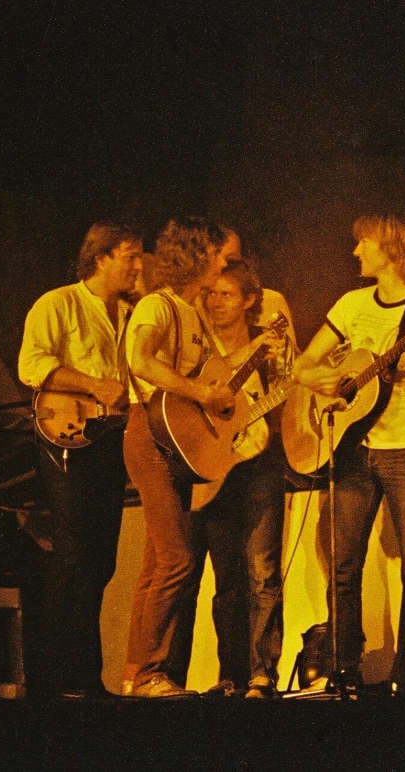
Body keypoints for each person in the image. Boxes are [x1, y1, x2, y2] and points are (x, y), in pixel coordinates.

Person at [291, 213, 405, 700]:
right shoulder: (352, 304)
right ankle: (344, 672)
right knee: (343, 566)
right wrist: (323, 384)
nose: (356, 252)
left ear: (389, 249)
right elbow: (303, 364)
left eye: (364, 243)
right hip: (352, 449)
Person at [121, 216, 248, 698]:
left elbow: (206, 383)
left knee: (158, 562)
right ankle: (150, 672)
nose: (224, 262)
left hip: (174, 439)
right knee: (176, 559)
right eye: (217, 254)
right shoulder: (159, 305)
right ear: (197, 255)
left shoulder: (193, 314)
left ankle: (139, 672)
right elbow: (141, 359)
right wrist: (199, 390)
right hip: (148, 434)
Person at [17, 222, 144, 699]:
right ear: (101, 257)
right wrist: (93, 385)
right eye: (130, 256)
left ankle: (82, 677)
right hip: (67, 435)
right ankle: (55, 677)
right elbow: (32, 366)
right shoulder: (58, 304)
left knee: (100, 558)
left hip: (111, 438)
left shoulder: (132, 313)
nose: (138, 265)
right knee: (74, 551)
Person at [166, 257, 293, 699]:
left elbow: (285, 395)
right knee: (226, 580)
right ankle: (231, 673)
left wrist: (279, 371)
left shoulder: (265, 347)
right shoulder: (197, 351)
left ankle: (263, 673)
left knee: (262, 571)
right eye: (211, 293)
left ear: (249, 301)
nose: (215, 301)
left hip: (258, 465)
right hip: (213, 469)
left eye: (226, 294)